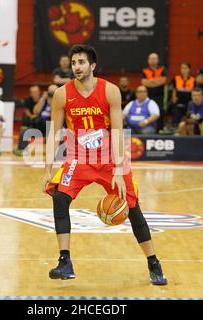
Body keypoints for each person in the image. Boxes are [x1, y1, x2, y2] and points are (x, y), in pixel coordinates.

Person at [43, 44, 167, 286]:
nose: (76, 67)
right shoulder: (62, 94)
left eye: (81, 62)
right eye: (74, 63)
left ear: (92, 66)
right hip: (79, 158)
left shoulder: (110, 91)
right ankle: (65, 261)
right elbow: (53, 133)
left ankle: (153, 262)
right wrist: (47, 169)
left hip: (109, 159)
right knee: (59, 196)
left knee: (132, 208)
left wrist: (120, 171)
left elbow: (119, 132)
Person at [141, 53, 167, 131]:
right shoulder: (145, 71)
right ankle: (148, 128)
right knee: (147, 112)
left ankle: (160, 130)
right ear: (148, 61)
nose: (152, 60)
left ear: (158, 60)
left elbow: (163, 81)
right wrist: (156, 82)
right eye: (151, 59)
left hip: (160, 95)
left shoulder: (162, 69)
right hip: (148, 95)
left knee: (160, 111)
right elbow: (144, 82)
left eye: (154, 58)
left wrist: (151, 82)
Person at [170, 62, 196, 129]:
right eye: (182, 68)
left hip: (189, 103)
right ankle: (175, 128)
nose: (183, 70)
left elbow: (194, 93)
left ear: (189, 69)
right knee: (176, 111)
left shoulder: (193, 80)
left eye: (185, 68)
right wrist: (174, 100)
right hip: (179, 102)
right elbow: (174, 92)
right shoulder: (176, 79)